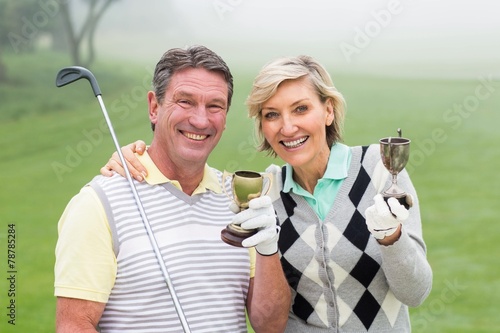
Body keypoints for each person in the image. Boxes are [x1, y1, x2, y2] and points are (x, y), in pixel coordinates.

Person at [102, 55, 433, 332]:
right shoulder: (264, 193)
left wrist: (392, 236)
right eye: (272, 115)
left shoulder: (379, 169)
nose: (287, 128)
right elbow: (194, 173)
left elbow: (414, 292)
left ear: (328, 110)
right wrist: (132, 155)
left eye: (301, 109)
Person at [54, 45, 291, 333]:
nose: (200, 120)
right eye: (185, 102)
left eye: (214, 106)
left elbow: (271, 325)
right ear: (154, 107)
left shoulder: (238, 199)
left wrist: (268, 249)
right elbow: (74, 325)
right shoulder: (97, 204)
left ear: (225, 118)